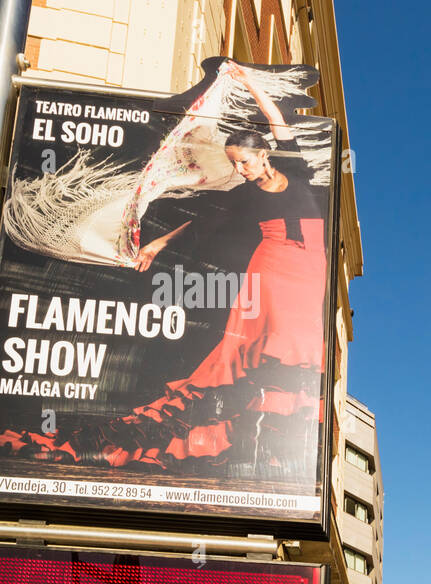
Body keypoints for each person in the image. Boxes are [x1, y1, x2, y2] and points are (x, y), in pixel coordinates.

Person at [15, 62, 329, 476]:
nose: (240, 170)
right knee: (258, 349)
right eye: (234, 163)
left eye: (244, 161)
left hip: (312, 267)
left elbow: (274, 118)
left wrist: (249, 81)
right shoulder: (244, 195)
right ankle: (149, 441)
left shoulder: (296, 166)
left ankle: (269, 441)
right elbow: (200, 222)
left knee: (303, 351)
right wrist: (158, 243)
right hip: (272, 267)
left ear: (263, 154)